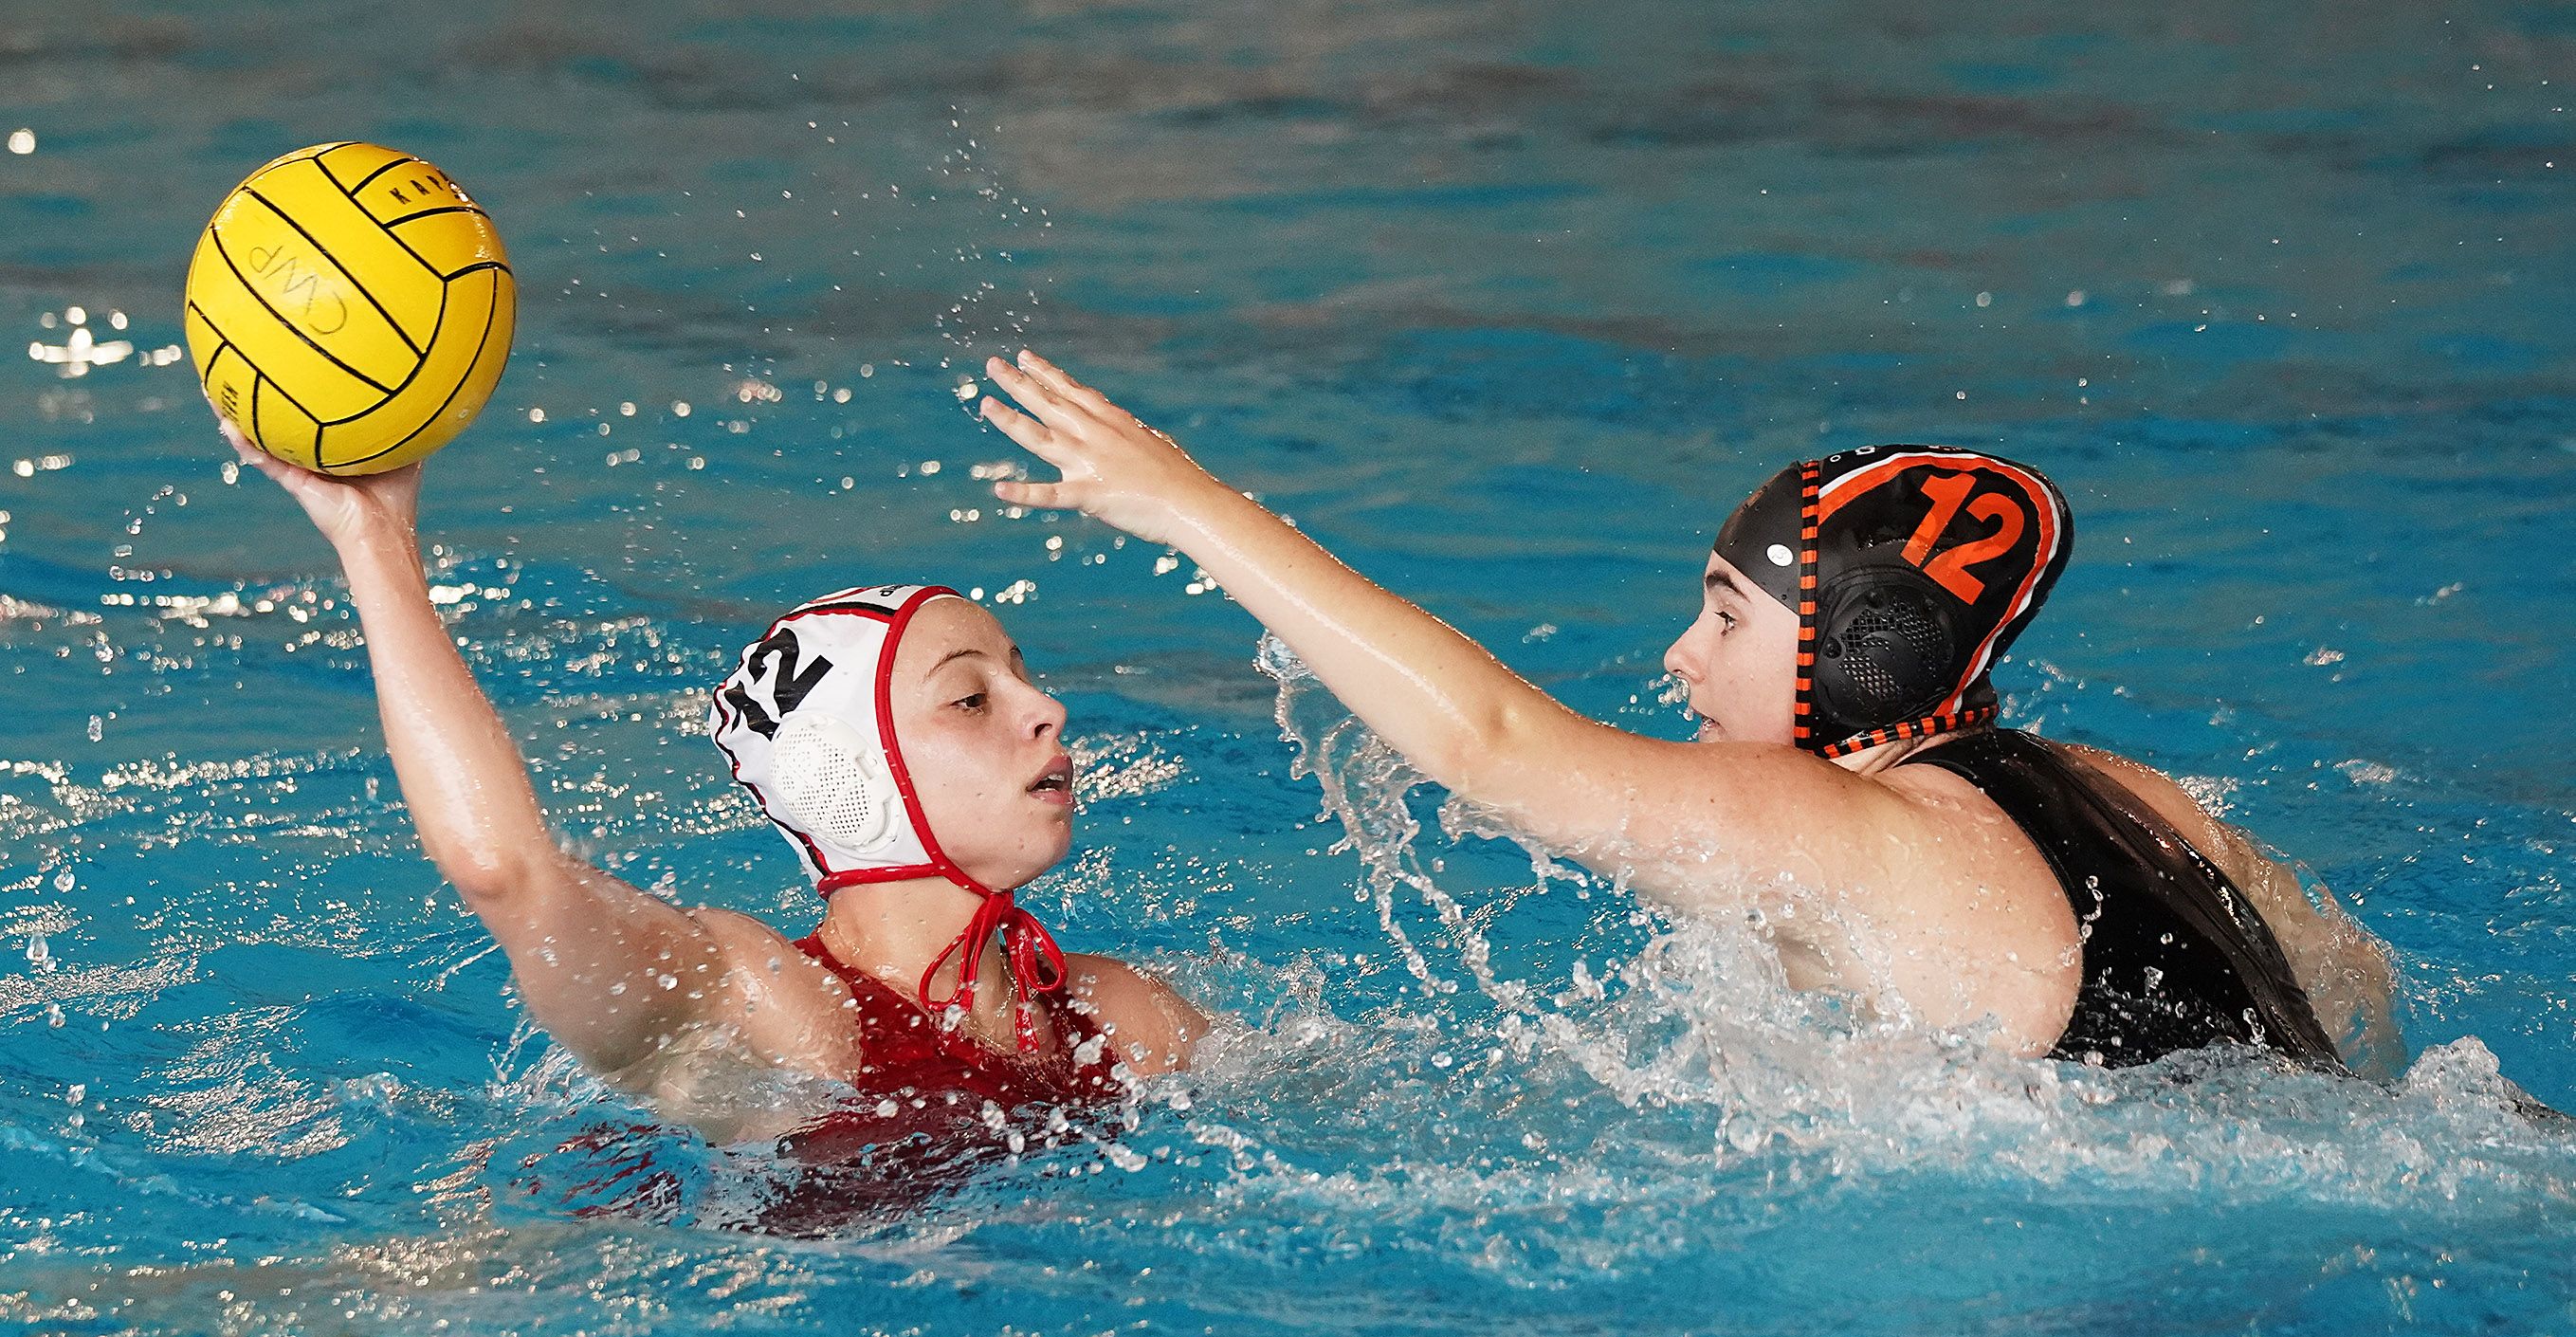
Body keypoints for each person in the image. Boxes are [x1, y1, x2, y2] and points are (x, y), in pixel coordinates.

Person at [973, 351, 2404, 1076]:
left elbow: (1489, 745)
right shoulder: (2129, 792)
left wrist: (1185, 508)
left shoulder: (1828, 817)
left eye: (1725, 613)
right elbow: (2361, 1007)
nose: (1679, 657)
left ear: (1849, 652)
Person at [217, 419, 1204, 1155]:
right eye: (969, 701)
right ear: (852, 779)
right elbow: (505, 874)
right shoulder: (775, 1007)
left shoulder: (1121, 1017)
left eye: (1022, 675)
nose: (1046, 710)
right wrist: (375, 538)